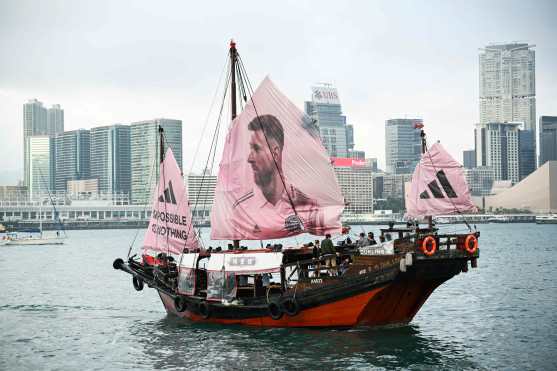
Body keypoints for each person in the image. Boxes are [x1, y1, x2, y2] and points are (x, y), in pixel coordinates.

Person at [233, 115, 324, 235]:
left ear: (275, 153)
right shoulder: (240, 208)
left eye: (256, 149)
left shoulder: (310, 207)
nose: (249, 158)